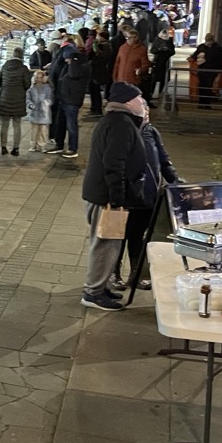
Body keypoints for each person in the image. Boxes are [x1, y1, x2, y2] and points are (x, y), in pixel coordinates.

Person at [80, 83, 150, 311]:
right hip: (107, 198)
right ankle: (93, 293)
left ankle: (99, 287)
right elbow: (114, 164)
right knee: (104, 245)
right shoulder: (120, 124)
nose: (143, 102)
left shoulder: (120, 121)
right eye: (140, 98)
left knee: (110, 245)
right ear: (128, 101)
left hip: (106, 195)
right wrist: (117, 199)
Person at [115, 102, 181, 291]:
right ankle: (113, 273)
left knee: (138, 236)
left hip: (148, 197)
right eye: (143, 109)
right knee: (119, 236)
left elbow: (163, 159)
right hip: (126, 196)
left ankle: (136, 274)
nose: (147, 113)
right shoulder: (122, 132)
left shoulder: (151, 132)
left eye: (146, 109)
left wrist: (176, 183)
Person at [47, 40, 92, 158]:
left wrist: (73, 63)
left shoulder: (80, 66)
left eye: (67, 58)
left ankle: (73, 148)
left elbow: (73, 75)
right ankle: (59, 144)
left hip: (72, 100)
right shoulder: (68, 66)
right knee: (60, 123)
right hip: (63, 98)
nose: (65, 60)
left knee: (71, 125)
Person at [0, 47, 30, 157]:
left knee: (4, 124)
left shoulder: (4, 67)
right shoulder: (24, 68)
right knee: (17, 124)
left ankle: (3, 147)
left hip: (5, 97)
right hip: (18, 98)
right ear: (22, 56)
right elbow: (27, 84)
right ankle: (16, 148)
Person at [113, 30, 152, 99]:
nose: (128, 39)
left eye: (131, 37)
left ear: (136, 38)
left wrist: (140, 70)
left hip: (133, 79)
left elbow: (145, 63)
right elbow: (117, 63)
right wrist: (115, 76)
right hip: (121, 79)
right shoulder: (122, 48)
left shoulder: (141, 50)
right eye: (127, 37)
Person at [26, 69, 53, 152]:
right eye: (37, 78)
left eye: (40, 78)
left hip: (44, 112)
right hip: (34, 112)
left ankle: (42, 145)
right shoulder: (31, 89)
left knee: (43, 130)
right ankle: (33, 144)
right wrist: (30, 105)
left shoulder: (47, 88)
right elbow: (27, 99)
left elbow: (50, 98)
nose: (38, 79)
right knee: (34, 130)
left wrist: (45, 103)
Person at [195, 33, 222, 108]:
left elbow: (195, 56)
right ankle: (205, 103)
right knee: (205, 87)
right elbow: (220, 60)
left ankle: (203, 103)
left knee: (204, 87)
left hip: (206, 70)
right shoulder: (216, 48)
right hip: (209, 71)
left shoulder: (202, 47)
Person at [89, 31, 115, 116]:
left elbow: (100, 55)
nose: (97, 37)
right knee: (95, 90)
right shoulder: (107, 45)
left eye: (98, 36)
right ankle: (95, 108)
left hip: (98, 71)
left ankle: (97, 109)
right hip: (99, 71)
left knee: (95, 91)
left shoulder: (104, 46)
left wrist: (95, 46)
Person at [149, 29, 176, 104]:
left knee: (164, 78)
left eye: (165, 37)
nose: (164, 38)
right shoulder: (157, 40)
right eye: (163, 37)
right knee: (154, 78)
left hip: (165, 62)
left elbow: (173, 52)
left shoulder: (169, 41)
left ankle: (160, 92)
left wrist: (168, 50)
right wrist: (159, 49)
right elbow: (152, 50)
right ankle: (151, 93)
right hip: (157, 61)